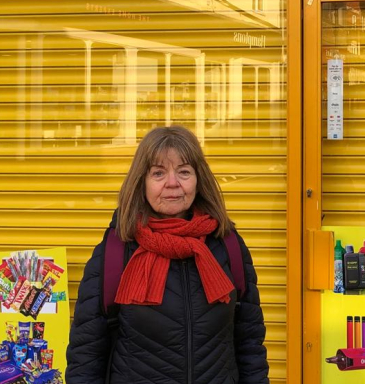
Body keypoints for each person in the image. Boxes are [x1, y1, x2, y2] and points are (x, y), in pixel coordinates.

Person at [67, 125, 269, 384]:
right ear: (143, 181)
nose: (172, 183)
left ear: (198, 179)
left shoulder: (226, 245)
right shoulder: (116, 250)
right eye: (158, 173)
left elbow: (249, 344)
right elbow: (86, 357)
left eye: (184, 172)